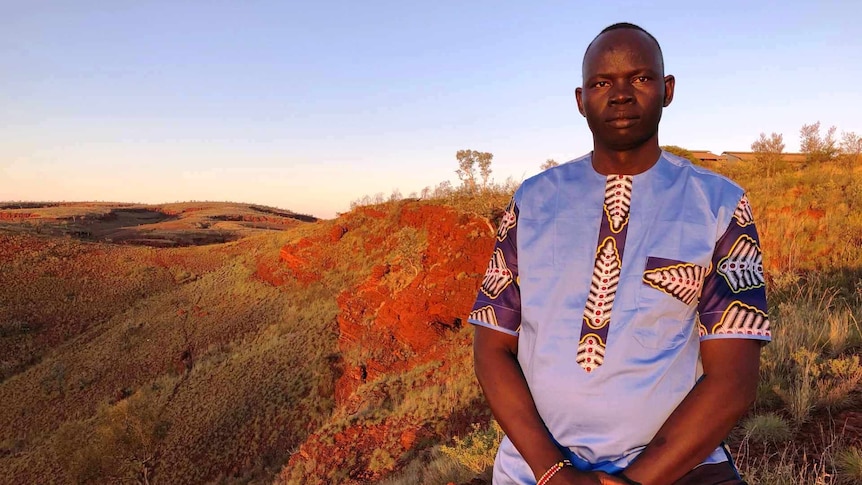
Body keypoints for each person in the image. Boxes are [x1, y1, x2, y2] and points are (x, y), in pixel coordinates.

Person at [468, 22, 770, 485]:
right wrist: (553, 471)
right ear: (580, 99)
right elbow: (492, 346)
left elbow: (732, 382)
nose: (622, 94)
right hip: (537, 469)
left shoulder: (719, 204)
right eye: (602, 82)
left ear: (667, 90)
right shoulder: (532, 202)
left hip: (677, 468)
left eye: (641, 78)